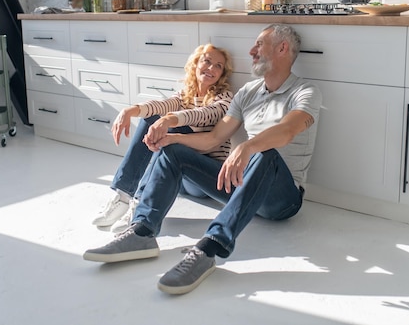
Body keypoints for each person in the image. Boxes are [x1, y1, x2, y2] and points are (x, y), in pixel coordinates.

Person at [83, 24, 322, 295]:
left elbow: (288, 130)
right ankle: (142, 232)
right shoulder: (248, 93)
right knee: (172, 151)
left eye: (259, 44)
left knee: (265, 154)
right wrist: (171, 140)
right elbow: (212, 139)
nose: (252, 51)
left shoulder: (306, 91)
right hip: (241, 185)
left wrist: (246, 148)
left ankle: (209, 249)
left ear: (282, 48)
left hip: (282, 198)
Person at [92, 43, 234, 233]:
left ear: (222, 73)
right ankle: (124, 195)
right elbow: (163, 105)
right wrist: (130, 110)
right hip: (180, 176)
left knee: (174, 129)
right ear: (195, 64)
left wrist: (169, 120)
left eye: (218, 66)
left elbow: (203, 114)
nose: (211, 68)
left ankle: (141, 202)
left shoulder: (225, 98)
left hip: (205, 178)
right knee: (153, 118)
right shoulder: (185, 95)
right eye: (207, 61)